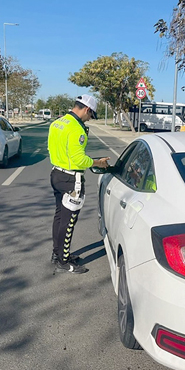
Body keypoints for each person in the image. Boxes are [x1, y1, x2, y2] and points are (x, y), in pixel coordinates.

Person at [47, 95, 110, 274]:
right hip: (71, 179)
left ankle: (57, 253)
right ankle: (63, 261)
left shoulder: (58, 123)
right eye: (91, 115)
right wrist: (98, 162)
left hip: (56, 174)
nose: (90, 118)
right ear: (87, 110)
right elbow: (79, 159)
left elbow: (51, 148)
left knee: (59, 218)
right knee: (68, 222)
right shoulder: (77, 129)